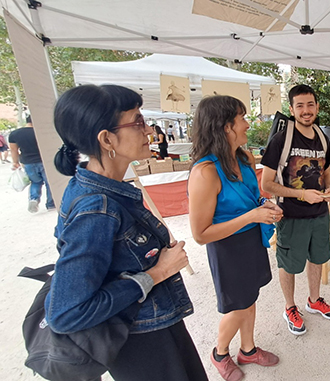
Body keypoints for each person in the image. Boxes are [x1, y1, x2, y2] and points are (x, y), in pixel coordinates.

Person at [47, 84, 208, 381]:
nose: (149, 130)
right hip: (142, 344)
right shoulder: (96, 208)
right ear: (107, 138)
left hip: (153, 327)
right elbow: (66, 312)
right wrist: (157, 273)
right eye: (137, 121)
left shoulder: (100, 189)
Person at [188, 95, 281, 381]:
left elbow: (250, 199)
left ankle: (248, 350)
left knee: (249, 298)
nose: (247, 123)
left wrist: (264, 206)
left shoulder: (244, 157)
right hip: (227, 247)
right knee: (237, 306)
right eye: (242, 118)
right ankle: (219, 353)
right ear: (225, 126)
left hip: (250, 240)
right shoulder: (204, 172)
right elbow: (200, 234)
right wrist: (251, 217)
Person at [261, 84, 330, 336]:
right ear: (292, 109)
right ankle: (290, 307)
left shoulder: (322, 137)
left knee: (317, 258)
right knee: (289, 264)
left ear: (316, 106)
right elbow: (267, 184)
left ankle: (314, 300)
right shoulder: (281, 140)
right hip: (291, 216)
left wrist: (328, 188)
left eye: (310, 105)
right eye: (300, 106)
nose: (306, 111)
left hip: (320, 215)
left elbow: (326, 171)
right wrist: (301, 194)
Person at [9, 115, 55, 212]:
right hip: (43, 161)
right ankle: (51, 204)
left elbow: (14, 150)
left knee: (35, 182)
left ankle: (34, 199)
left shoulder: (14, 134)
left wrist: (15, 162)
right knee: (49, 182)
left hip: (28, 162)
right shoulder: (40, 132)